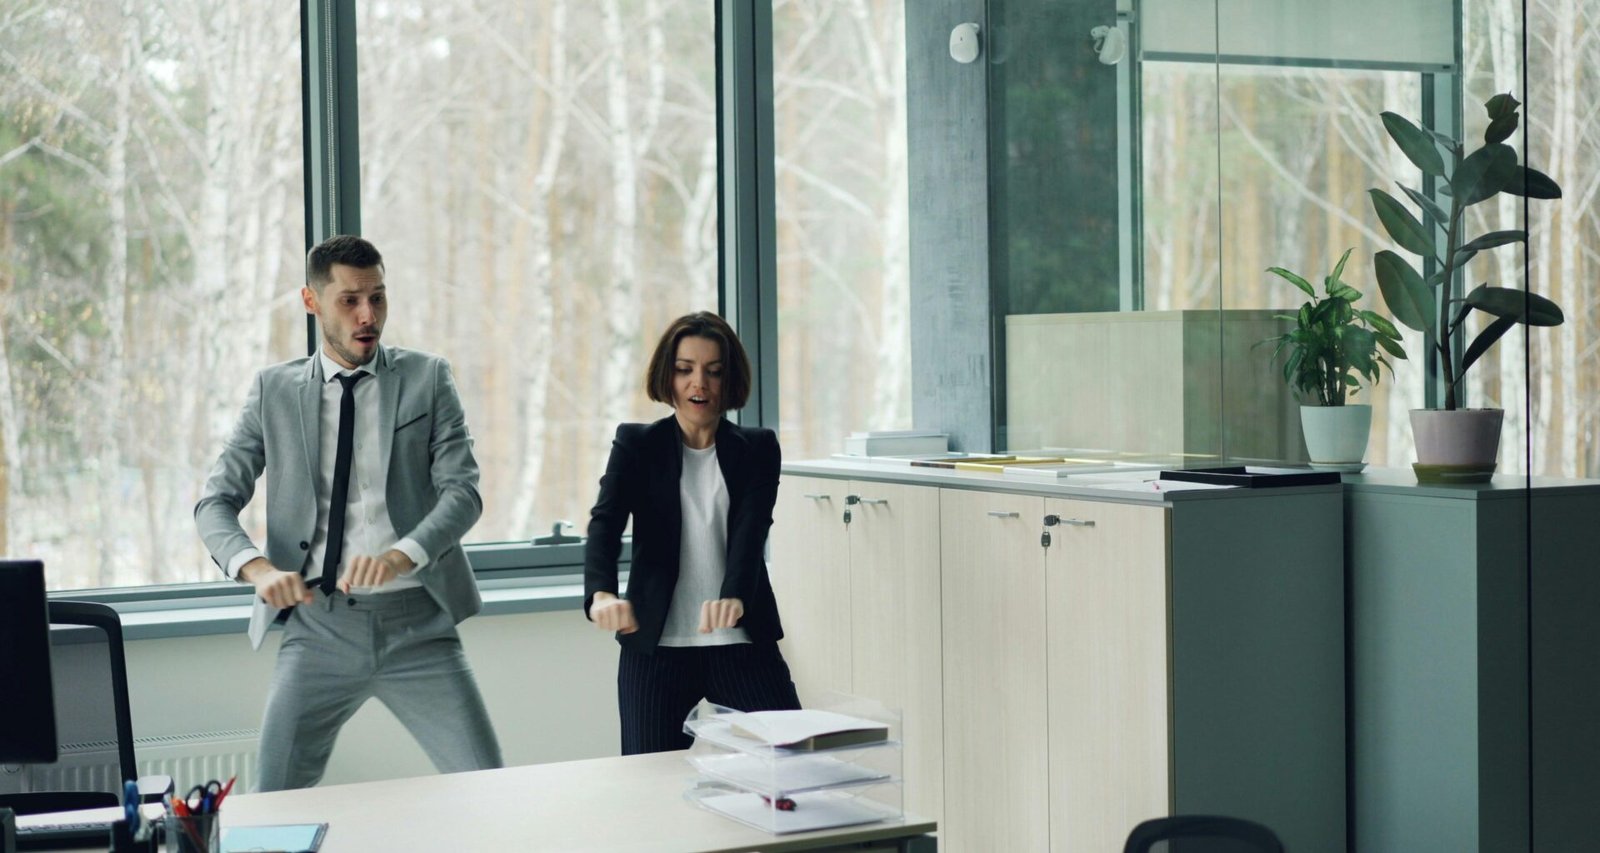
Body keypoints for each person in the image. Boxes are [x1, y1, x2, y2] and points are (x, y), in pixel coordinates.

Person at [195, 234, 502, 791]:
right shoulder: (273, 390)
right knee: (273, 804)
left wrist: (399, 555)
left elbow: (464, 493)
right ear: (311, 302)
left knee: (488, 788)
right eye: (350, 300)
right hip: (318, 629)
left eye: (378, 298)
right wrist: (257, 568)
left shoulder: (427, 379)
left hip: (418, 627)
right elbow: (214, 504)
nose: (368, 316)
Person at [584, 311, 802, 755]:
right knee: (649, 788)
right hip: (657, 650)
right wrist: (601, 594)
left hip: (741, 645)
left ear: (729, 379)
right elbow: (605, 522)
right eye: (685, 370)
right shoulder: (636, 444)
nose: (698, 383)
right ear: (668, 375)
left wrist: (736, 595)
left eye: (713, 371)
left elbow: (752, 528)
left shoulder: (758, 448)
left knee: (794, 764)